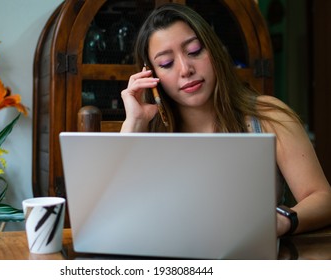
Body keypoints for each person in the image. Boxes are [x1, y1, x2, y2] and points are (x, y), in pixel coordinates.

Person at [120, 3, 331, 236]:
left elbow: (322, 198)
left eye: (194, 50)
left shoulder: (268, 116)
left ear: (214, 51)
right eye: (166, 64)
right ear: (152, 76)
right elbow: (115, 219)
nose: (185, 69)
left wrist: (281, 221)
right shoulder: (147, 133)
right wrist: (133, 125)